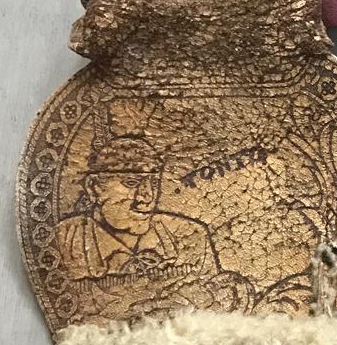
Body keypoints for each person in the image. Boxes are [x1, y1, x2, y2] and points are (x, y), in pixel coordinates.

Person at [56, 130, 250, 315]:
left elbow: (213, 311)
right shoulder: (64, 240)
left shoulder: (189, 235)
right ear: (94, 188)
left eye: (154, 183)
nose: (147, 196)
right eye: (132, 183)